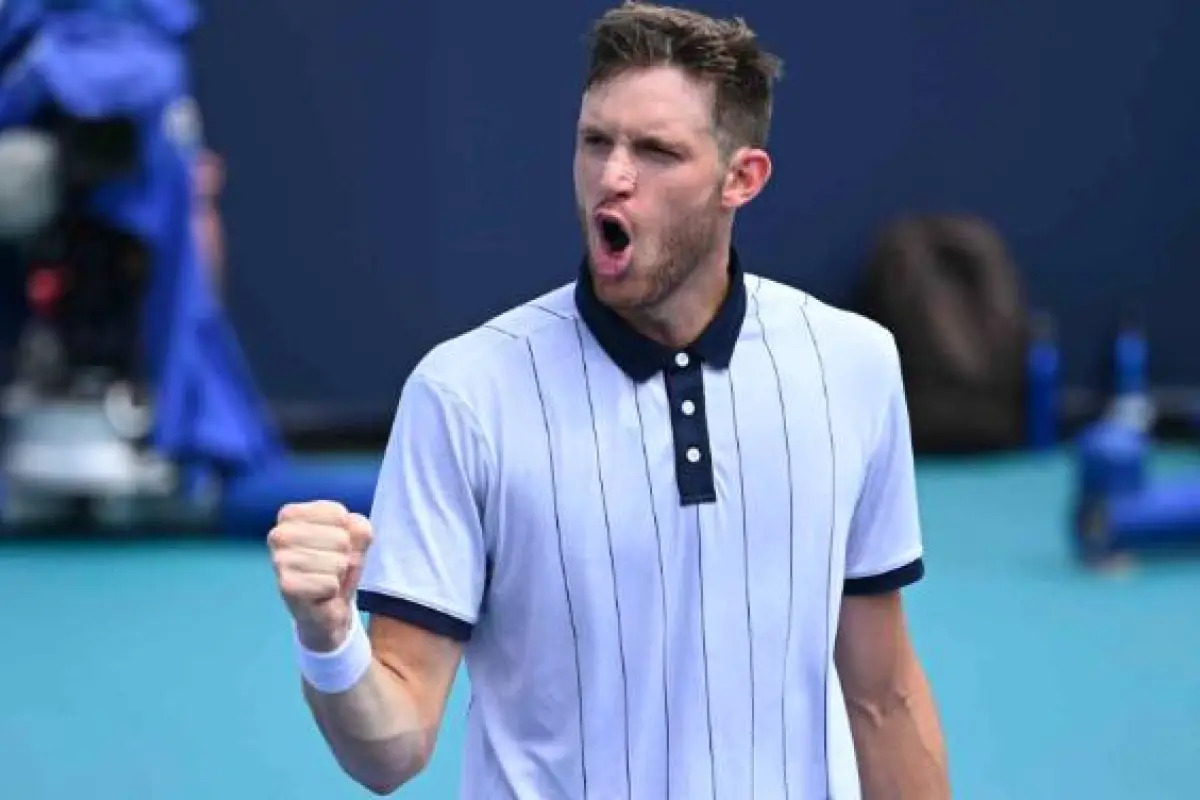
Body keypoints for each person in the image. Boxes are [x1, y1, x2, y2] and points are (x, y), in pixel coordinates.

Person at [268, 2, 950, 797]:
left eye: (656, 151)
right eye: (596, 142)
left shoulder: (853, 365)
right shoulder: (462, 395)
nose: (613, 177)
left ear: (742, 178)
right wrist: (328, 637)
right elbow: (390, 751)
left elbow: (883, 698)